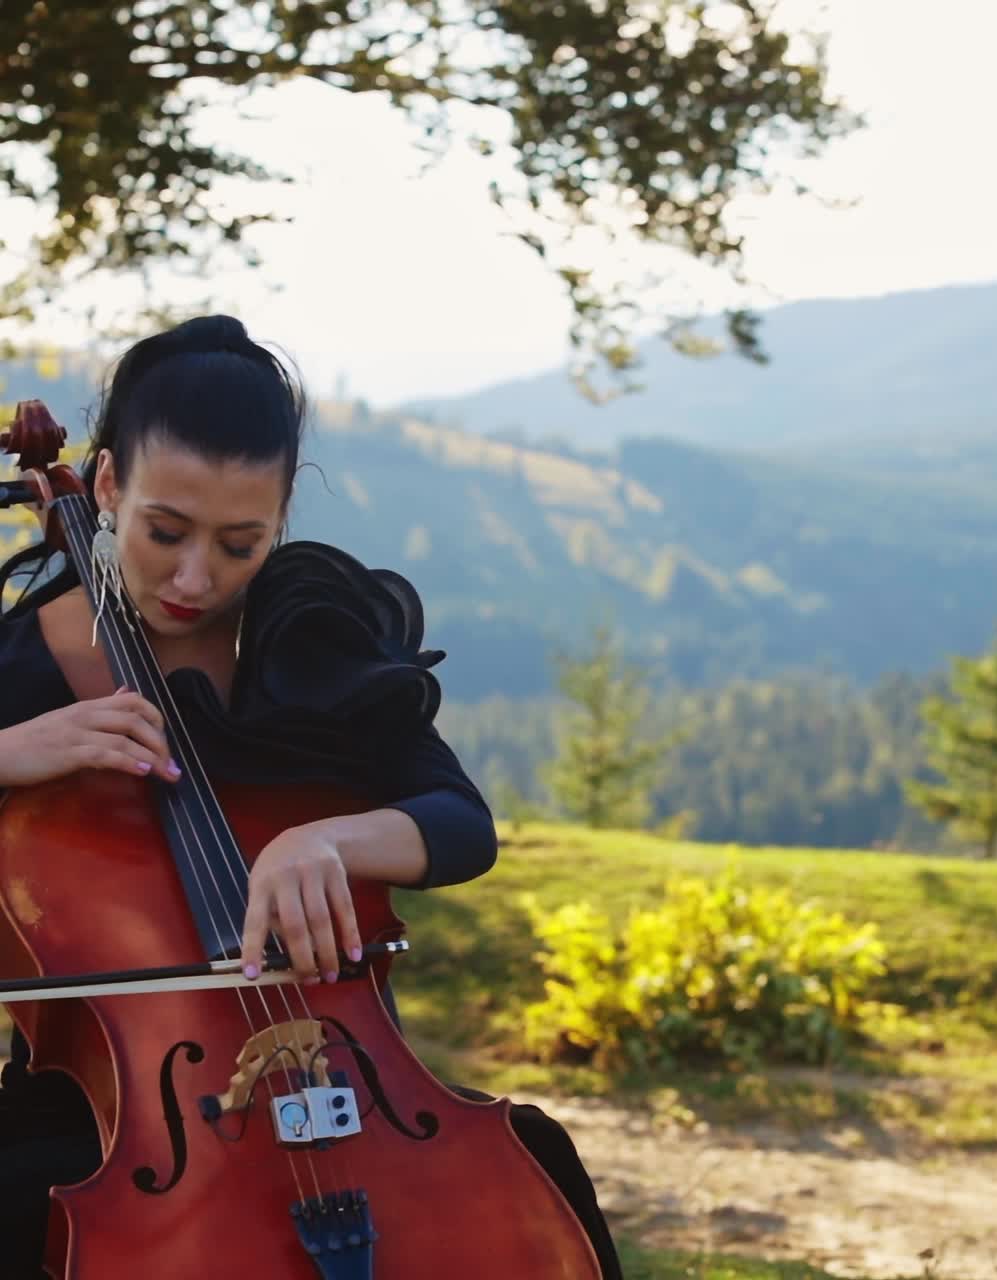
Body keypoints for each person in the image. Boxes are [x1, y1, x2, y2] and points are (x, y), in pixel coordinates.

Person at [0, 314, 622, 1278]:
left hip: (343, 1081)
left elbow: (460, 824)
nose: (196, 578)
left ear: (282, 516)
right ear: (110, 484)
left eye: (240, 543)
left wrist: (329, 840)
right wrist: (11, 752)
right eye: (165, 532)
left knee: (533, 1169)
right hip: (99, 1110)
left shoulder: (307, 638)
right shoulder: (24, 662)